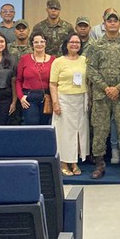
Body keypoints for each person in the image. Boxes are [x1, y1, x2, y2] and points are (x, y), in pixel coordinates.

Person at [86, 11, 120, 180]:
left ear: (119, 24)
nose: (113, 23)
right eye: (110, 21)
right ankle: (99, 164)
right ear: (105, 24)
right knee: (100, 129)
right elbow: (91, 69)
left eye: (116, 21)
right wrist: (106, 87)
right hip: (102, 95)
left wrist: (118, 88)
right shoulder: (95, 45)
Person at [50, 34, 89, 176]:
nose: (74, 44)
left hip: (81, 99)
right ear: (66, 44)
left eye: (77, 42)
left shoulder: (85, 60)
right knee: (64, 134)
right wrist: (55, 103)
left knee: (78, 132)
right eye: (72, 42)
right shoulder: (58, 62)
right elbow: (53, 84)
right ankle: (64, 162)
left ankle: (74, 162)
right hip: (64, 100)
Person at [16, 31, 55, 125]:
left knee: (45, 126)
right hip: (29, 97)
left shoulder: (54, 60)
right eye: (36, 42)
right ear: (32, 44)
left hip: (47, 97)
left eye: (42, 41)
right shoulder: (24, 59)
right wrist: (21, 97)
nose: (39, 44)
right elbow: (18, 80)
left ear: (46, 43)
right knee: (31, 125)